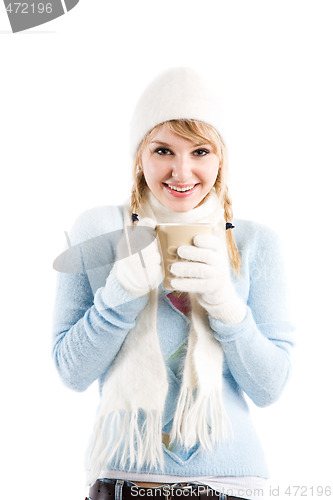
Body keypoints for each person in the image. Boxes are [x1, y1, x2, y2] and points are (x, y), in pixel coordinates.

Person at [52, 67, 294, 500]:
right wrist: (120, 295)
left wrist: (226, 307)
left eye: (200, 151)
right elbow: (71, 372)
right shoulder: (100, 228)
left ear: (221, 159)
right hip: (124, 482)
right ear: (139, 157)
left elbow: (270, 387)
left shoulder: (254, 242)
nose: (182, 171)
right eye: (164, 149)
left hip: (232, 486)